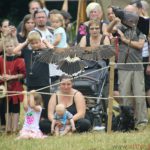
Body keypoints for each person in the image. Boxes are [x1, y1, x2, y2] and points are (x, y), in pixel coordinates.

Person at [108, 5, 148, 129]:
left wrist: (124, 39)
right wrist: (115, 20)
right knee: (125, 96)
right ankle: (127, 122)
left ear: (136, 13)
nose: (128, 14)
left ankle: (141, 122)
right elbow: (109, 31)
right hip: (123, 67)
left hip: (137, 67)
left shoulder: (141, 27)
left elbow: (140, 45)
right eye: (126, 12)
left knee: (139, 97)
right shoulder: (121, 26)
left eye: (130, 12)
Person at [13, 31, 52, 119]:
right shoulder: (27, 52)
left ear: (40, 41)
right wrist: (26, 42)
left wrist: (45, 41)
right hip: (31, 83)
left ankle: (45, 121)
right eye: (32, 43)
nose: (34, 45)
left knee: (45, 103)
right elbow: (15, 51)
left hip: (43, 83)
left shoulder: (45, 52)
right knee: (32, 104)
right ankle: (32, 122)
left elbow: (53, 50)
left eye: (36, 42)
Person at [0, 38, 26, 133]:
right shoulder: (1, 59)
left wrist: (11, 77)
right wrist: (2, 77)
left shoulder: (19, 60)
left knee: (15, 107)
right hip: (4, 88)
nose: (9, 48)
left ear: (15, 47)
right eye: (7, 46)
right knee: (6, 107)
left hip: (16, 86)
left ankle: (14, 128)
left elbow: (23, 74)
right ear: (4, 47)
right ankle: (8, 127)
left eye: (11, 46)